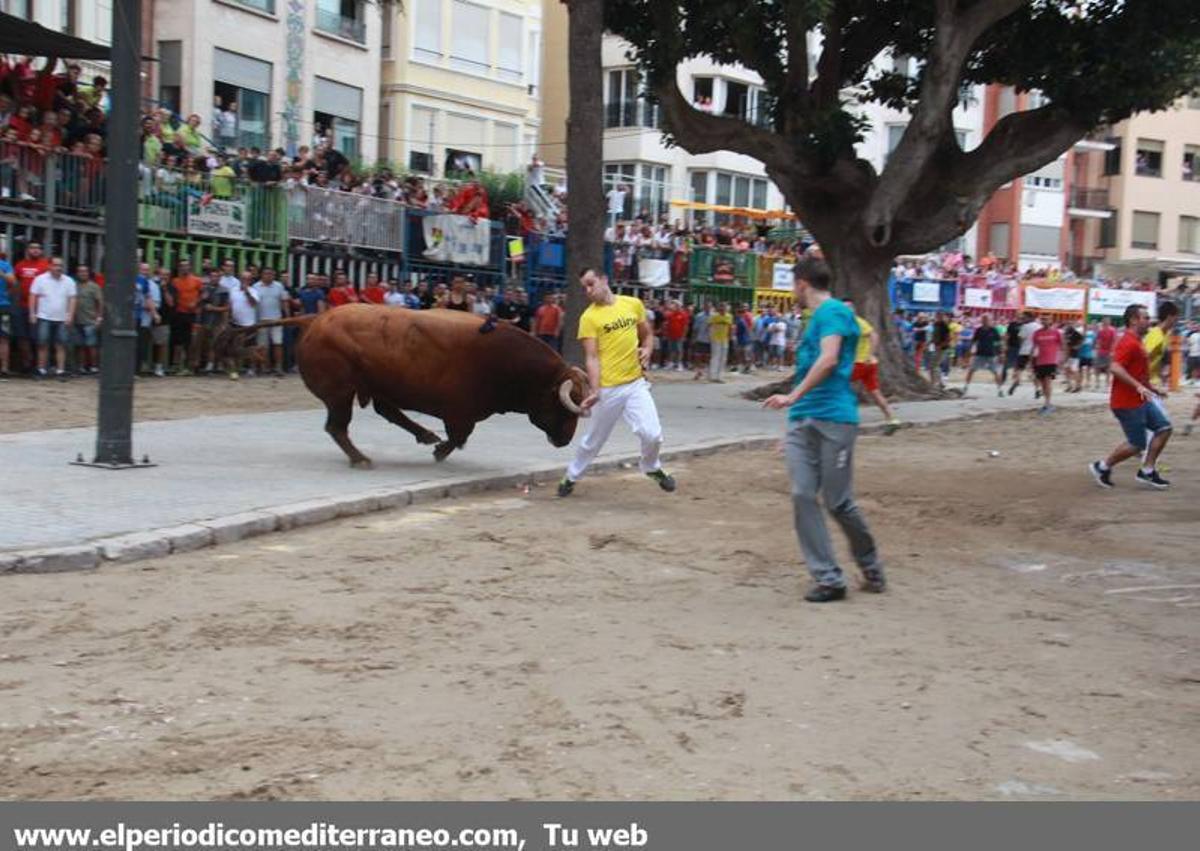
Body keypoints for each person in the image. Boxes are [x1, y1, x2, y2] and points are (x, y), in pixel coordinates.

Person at [763, 258, 885, 603]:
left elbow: (829, 359)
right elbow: (807, 372)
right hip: (803, 421)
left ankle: (870, 564)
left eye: (792, 285)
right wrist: (790, 425)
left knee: (838, 502)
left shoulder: (833, 313)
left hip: (835, 418)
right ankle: (829, 578)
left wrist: (791, 398)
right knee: (803, 495)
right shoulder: (815, 320)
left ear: (802, 284)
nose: (792, 292)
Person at [557, 269, 676, 498]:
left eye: (591, 284)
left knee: (652, 435)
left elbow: (648, 335)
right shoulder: (589, 318)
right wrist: (595, 389)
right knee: (593, 441)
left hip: (635, 385)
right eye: (584, 287)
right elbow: (591, 357)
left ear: (604, 280)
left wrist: (648, 349)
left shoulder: (632, 304)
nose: (588, 290)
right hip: (608, 389)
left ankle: (652, 468)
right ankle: (571, 476)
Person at [1089, 304, 1171, 490]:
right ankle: (1102, 467)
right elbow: (1115, 367)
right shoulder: (1128, 341)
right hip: (1126, 402)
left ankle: (1147, 471)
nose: (1149, 321)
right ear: (1133, 320)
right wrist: (1139, 386)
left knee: (1164, 428)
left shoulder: (1137, 341)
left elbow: (1138, 374)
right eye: (1145, 318)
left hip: (1139, 399)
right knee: (1137, 444)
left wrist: (1152, 389)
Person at [843, 299, 902, 432]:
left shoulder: (856, 322)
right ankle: (891, 418)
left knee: (838, 384)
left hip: (860, 363)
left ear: (853, 309)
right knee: (875, 392)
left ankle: (846, 418)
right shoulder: (851, 322)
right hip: (868, 364)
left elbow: (874, 335)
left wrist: (869, 354)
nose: (845, 310)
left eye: (847, 307)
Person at [29, 256, 77, 379]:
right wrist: (32, 313)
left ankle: (60, 371)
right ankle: (41, 370)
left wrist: (70, 315)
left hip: (62, 318)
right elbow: (33, 296)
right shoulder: (40, 279)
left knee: (61, 344)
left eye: (60, 265)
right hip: (44, 316)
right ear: (49, 266)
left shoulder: (69, 281)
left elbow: (72, 299)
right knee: (42, 343)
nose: (58, 268)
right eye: (55, 265)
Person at [252, 267, 289, 376]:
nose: (269, 276)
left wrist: (286, 316)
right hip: (261, 319)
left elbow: (284, 302)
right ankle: (265, 367)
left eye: (271, 274)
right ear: (261, 275)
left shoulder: (279, 286)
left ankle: (278, 367)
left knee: (278, 343)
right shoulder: (256, 286)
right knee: (263, 345)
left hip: (276, 319)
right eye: (266, 274)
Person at [226, 269, 259, 379]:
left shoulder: (253, 291)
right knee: (233, 347)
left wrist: (247, 292)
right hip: (235, 323)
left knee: (249, 347)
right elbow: (230, 305)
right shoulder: (233, 290)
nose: (245, 281)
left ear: (250, 280)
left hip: (249, 323)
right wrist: (228, 318)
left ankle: (251, 368)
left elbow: (253, 303)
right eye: (243, 278)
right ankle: (234, 370)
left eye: (247, 279)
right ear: (240, 279)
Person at [72, 264, 103, 374]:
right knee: (78, 345)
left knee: (91, 345)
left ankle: (94, 367)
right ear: (77, 273)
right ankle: (81, 367)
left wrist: (99, 318)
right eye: (80, 271)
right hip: (76, 320)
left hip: (90, 320)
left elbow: (100, 303)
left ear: (88, 273)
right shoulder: (73, 285)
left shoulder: (94, 286)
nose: (83, 273)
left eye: (85, 271)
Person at [963, 313, 1003, 396]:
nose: (984, 321)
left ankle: (1000, 390)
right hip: (979, 354)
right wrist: (970, 351)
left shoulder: (994, 330)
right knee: (971, 370)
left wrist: (1000, 353)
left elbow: (999, 342)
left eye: (986, 319)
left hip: (991, 354)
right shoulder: (979, 330)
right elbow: (974, 341)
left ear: (990, 320)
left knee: (996, 372)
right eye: (983, 319)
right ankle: (966, 387)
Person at [1030, 317, 1062, 415]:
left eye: (1047, 319)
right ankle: (1047, 404)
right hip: (1040, 361)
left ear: (1050, 321)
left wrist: (1061, 360)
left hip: (1051, 360)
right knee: (1043, 383)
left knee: (1047, 382)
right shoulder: (1037, 333)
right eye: (1043, 320)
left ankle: (1047, 404)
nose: (1045, 321)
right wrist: (1031, 360)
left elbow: (1062, 346)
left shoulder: (1056, 333)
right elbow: (1034, 347)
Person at [1007, 311, 1038, 396]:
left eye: (1024, 318)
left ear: (1029, 318)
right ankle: (1037, 389)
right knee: (1034, 371)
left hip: (1024, 351)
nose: (1022, 319)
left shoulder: (1025, 327)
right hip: (1035, 351)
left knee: (1019, 369)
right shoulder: (1039, 326)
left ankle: (1017, 381)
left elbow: (1020, 339)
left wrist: (1022, 345)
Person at [707, 302, 733, 382]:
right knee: (715, 357)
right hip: (715, 338)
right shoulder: (714, 316)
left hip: (724, 339)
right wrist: (710, 336)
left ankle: (720, 376)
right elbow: (709, 326)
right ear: (719, 308)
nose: (723, 309)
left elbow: (730, 327)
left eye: (724, 308)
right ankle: (712, 376)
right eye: (721, 308)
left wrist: (729, 337)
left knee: (723, 358)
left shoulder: (729, 316)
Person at [1093, 315, 1117, 391]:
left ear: (1109, 321)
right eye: (1104, 320)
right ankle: (1097, 383)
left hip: (1109, 352)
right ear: (1103, 321)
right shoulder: (1100, 330)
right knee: (1097, 368)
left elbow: (1114, 341)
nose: (1106, 321)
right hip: (1100, 351)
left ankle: (1107, 385)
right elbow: (1097, 340)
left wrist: (1112, 351)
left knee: (1108, 368)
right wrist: (1096, 349)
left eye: (1107, 320)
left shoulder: (1112, 330)